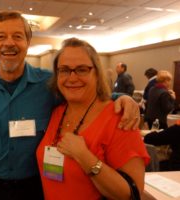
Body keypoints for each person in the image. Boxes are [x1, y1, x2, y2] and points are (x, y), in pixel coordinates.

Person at [0, 11, 140, 200]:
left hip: (38, 188)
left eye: (17, 36)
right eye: (1, 37)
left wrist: (121, 97)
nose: (9, 43)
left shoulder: (48, 83)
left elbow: (82, 92)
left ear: (27, 43)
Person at [36, 38, 149, 200]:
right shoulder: (56, 112)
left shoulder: (119, 118)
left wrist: (84, 157)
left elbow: (131, 194)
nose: (72, 78)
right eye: (64, 70)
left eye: (82, 69)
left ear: (96, 73)